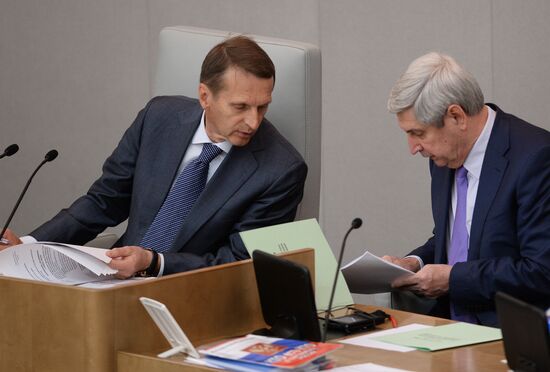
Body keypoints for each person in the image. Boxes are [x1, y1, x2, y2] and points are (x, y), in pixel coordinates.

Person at [1, 35, 307, 279]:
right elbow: (104, 201)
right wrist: (28, 246)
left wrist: (154, 263)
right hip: (113, 281)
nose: (253, 122)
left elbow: (238, 264)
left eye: (262, 107)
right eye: (240, 107)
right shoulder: (158, 118)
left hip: (193, 296)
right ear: (205, 96)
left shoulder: (280, 170)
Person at [383, 52, 550, 326]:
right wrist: (415, 262)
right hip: (445, 328)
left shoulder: (536, 159)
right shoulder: (445, 156)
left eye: (419, 133)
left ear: (456, 116)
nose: (413, 148)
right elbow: (457, 239)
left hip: (506, 336)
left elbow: (542, 271)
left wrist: (453, 279)